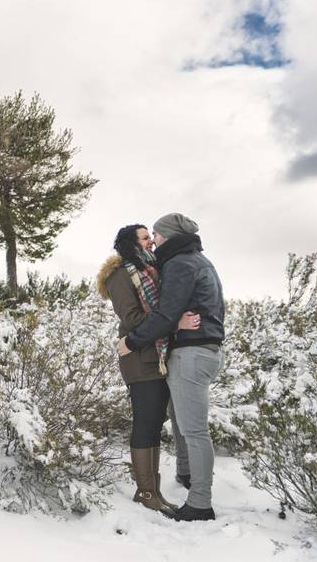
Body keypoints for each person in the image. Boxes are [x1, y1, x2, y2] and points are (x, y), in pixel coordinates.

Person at [116, 213, 225, 522]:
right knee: (181, 420)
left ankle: (200, 503)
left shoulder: (179, 264)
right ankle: (187, 474)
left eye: (158, 234)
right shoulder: (199, 260)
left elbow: (165, 314)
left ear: (170, 235)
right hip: (205, 349)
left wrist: (132, 341)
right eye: (149, 235)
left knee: (194, 430)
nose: (155, 239)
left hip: (192, 353)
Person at [97, 224, 200, 517]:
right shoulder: (120, 275)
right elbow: (131, 318)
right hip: (139, 357)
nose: (151, 243)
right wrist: (172, 322)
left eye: (150, 238)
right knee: (145, 423)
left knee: (154, 423)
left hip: (155, 355)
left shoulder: (149, 272)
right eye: (145, 239)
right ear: (131, 244)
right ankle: (144, 491)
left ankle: (153, 491)